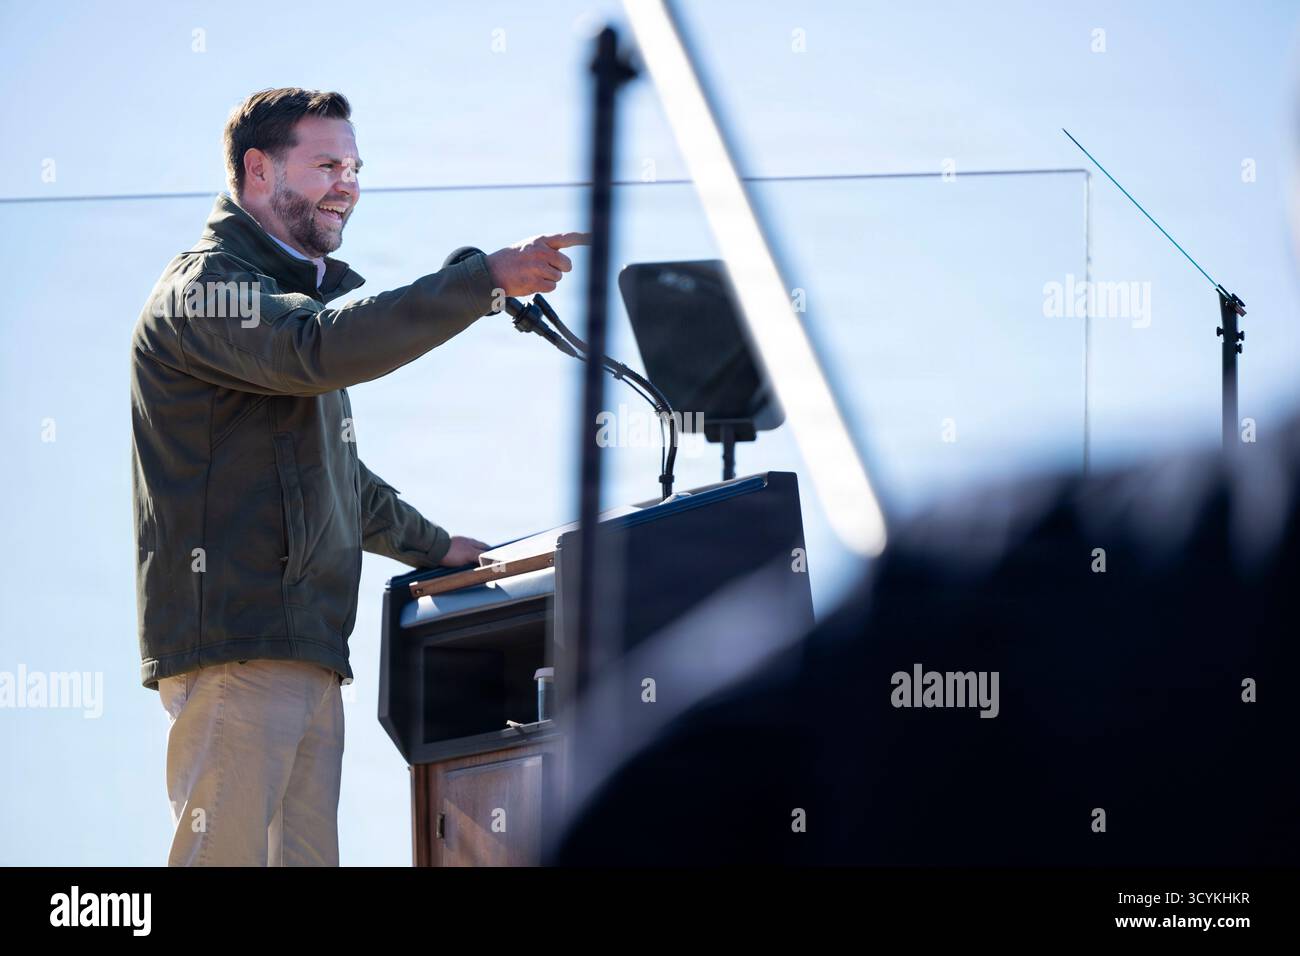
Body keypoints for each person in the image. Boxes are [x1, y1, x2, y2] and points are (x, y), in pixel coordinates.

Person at [131, 87, 588, 866]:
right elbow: (315, 351)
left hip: (305, 648)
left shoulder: (288, 305)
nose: (347, 182)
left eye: (355, 166)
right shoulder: (212, 292)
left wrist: (440, 547)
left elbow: (336, 476)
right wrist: (483, 280)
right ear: (258, 170)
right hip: (241, 648)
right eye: (326, 164)